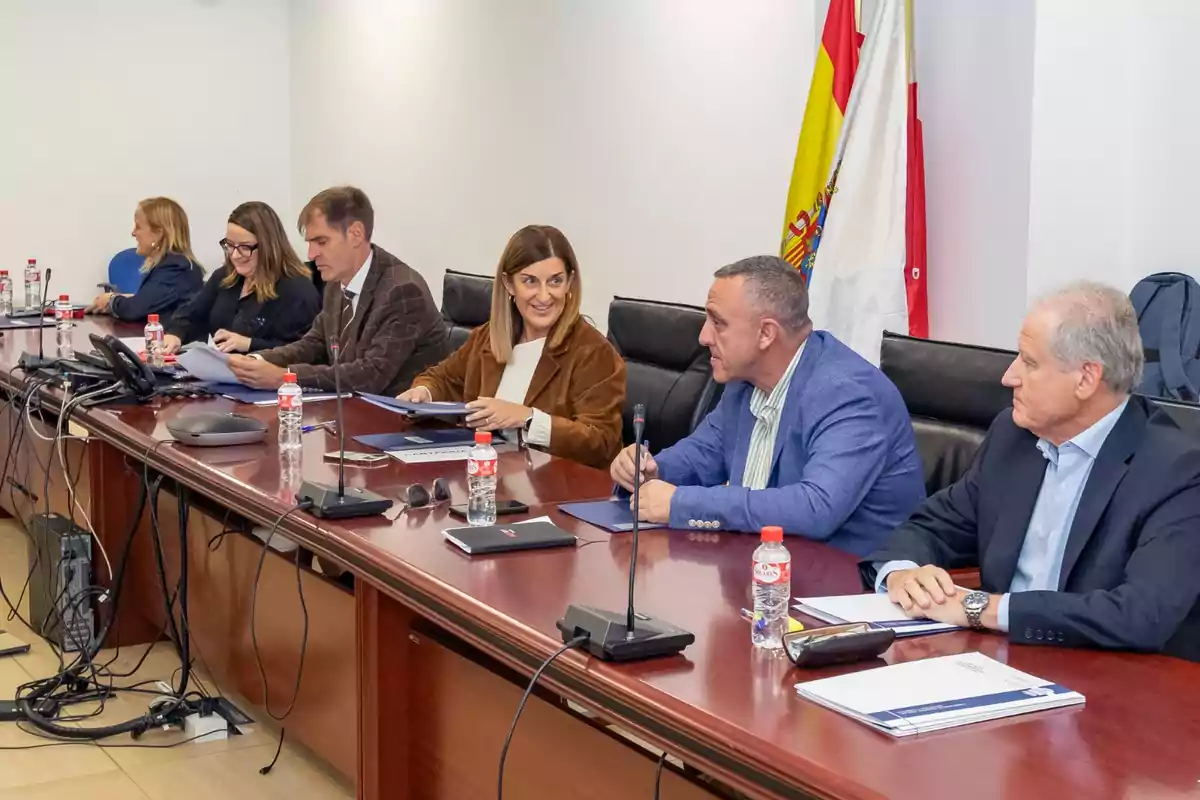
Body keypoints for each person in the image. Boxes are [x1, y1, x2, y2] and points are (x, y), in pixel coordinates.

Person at [863, 282, 1200, 661]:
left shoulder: (1177, 470)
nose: (1009, 377)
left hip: (1114, 680)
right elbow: (931, 527)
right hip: (1002, 659)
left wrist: (980, 609)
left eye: (1029, 362)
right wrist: (903, 574)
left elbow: (1140, 615)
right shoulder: (1014, 436)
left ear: (1087, 378)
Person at [610, 255, 924, 557]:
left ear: (766, 333)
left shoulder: (847, 394)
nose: (703, 336)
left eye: (718, 323)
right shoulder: (743, 384)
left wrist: (681, 503)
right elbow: (702, 455)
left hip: (849, 589)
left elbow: (815, 508)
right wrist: (645, 471)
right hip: (764, 572)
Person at [398, 226, 625, 469]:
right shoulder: (489, 336)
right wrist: (424, 392)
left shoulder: (593, 352)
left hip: (555, 491)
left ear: (570, 281)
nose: (544, 296)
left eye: (555, 281)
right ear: (509, 283)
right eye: (530, 281)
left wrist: (527, 419)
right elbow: (445, 379)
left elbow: (601, 443)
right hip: (486, 479)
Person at [228, 186, 449, 394]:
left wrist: (284, 377)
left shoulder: (403, 290)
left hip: (403, 422)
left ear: (355, 234)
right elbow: (314, 343)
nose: (312, 254)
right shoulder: (336, 281)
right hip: (354, 414)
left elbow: (371, 374)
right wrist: (255, 361)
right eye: (310, 243)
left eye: (321, 242)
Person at [162, 201, 320, 354]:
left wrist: (249, 344)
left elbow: (305, 350)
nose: (235, 255)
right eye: (229, 245)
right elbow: (191, 314)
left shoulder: (297, 290)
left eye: (245, 247)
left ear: (268, 247)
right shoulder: (226, 277)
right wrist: (175, 334)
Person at [88, 197, 204, 323]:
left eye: (138, 227)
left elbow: (133, 309)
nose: (133, 233)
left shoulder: (175, 268)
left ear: (159, 234)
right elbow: (151, 301)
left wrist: (111, 301)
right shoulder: (173, 264)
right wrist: (120, 297)